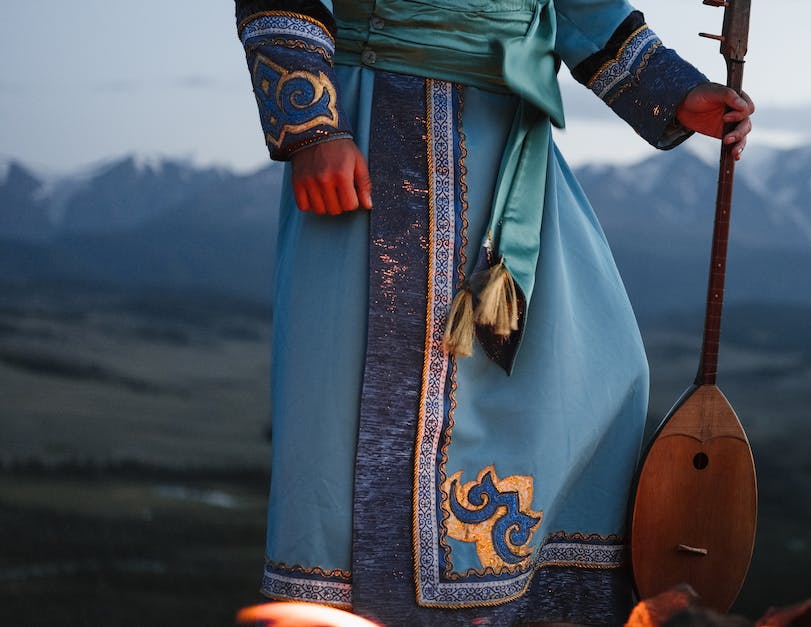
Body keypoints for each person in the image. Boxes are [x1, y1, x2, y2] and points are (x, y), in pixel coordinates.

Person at [234, 0, 753, 624]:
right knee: (374, 402)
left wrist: (676, 92)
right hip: (374, 135)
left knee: (610, 374)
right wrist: (313, 125)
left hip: (511, 151)